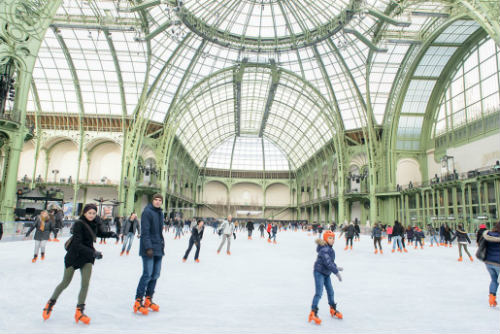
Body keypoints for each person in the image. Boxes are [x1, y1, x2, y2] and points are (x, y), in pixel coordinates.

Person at [41, 204, 118, 324]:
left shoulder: (94, 223)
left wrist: (110, 234)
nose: (92, 215)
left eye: (94, 213)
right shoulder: (79, 224)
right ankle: (50, 303)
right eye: (89, 213)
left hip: (87, 257)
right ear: (84, 213)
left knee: (85, 284)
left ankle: (79, 311)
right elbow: (77, 244)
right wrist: (93, 252)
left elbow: (99, 233)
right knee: (65, 282)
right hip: (74, 256)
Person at [133, 194, 164, 315]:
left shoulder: (160, 213)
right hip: (149, 249)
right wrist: (148, 247)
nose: (157, 202)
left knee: (155, 274)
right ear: (152, 201)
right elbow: (145, 232)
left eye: (159, 200)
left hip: (158, 248)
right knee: (147, 274)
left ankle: (148, 299)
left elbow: (159, 232)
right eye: (155, 199)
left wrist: (161, 245)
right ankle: (138, 301)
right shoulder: (147, 212)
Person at [308, 230, 343, 325]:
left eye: (333, 238)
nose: (332, 240)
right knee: (319, 293)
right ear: (325, 239)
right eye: (330, 238)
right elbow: (327, 262)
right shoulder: (324, 249)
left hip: (326, 273)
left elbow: (330, 262)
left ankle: (332, 309)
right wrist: (336, 272)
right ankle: (313, 312)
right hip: (319, 272)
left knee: (331, 291)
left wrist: (336, 267)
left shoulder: (329, 249)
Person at [479, 222, 500, 307]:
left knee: (494, 280)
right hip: (498, 263)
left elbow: (481, 245)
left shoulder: (488, 235)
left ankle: (492, 300)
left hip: (488, 262)